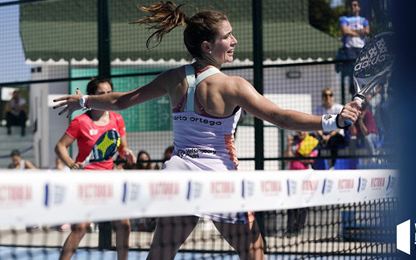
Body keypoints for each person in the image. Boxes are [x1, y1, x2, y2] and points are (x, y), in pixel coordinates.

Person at [53, 2, 360, 259]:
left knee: (160, 254)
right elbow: (280, 118)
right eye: (228, 36)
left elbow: (122, 100)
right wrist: (331, 121)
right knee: (255, 253)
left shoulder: (174, 78)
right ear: (207, 46)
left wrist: (83, 99)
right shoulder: (232, 86)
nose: (235, 41)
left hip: (180, 175)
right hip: (219, 180)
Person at [54, 77, 136, 260]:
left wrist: (127, 153)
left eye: (109, 93)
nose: (106, 97)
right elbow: (59, 147)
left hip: (109, 180)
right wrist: (71, 164)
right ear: (92, 96)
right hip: (86, 182)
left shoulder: (117, 118)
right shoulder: (80, 122)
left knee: (124, 225)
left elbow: (121, 148)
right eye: (101, 94)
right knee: (81, 227)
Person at [282, 131, 318, 236]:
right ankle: (290, 229)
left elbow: (309, 158)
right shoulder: (293, 144)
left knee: (302, 204)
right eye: (299, 130)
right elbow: (287, 157)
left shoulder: (312, 142)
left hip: (305, 178)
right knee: (291, 204)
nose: (300, 132)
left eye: (303, 130)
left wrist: (297, 156)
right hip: (292, 178)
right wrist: (288, 144)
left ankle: (298, 228)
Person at [339, 0, 369, 94]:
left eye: (355, 5)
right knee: (352, 71)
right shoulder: (344, 19)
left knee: (362, 70)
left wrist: (351, 31)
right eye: (351, 5)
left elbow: (367, 31)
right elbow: (345, 31)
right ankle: (353, 91)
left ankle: (363, 90)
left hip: (361, 48)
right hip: (349, 48)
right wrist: (359, 32)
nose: (353, 7)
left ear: (359, 7)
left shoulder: (364, 20)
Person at [314, 88, 347, 169]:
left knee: (333, 141)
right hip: (323, 134)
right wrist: (322, 136)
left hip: (336, 134)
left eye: (330, 95)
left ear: (333, 97)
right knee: (313, 140)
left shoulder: (339, 108)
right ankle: (314, 166)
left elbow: (341, 125)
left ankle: (332, 165)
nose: (328, 97)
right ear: (322, 97)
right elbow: (316, 124)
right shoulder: (318, 109)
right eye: (325, 95)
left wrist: (328, 136)